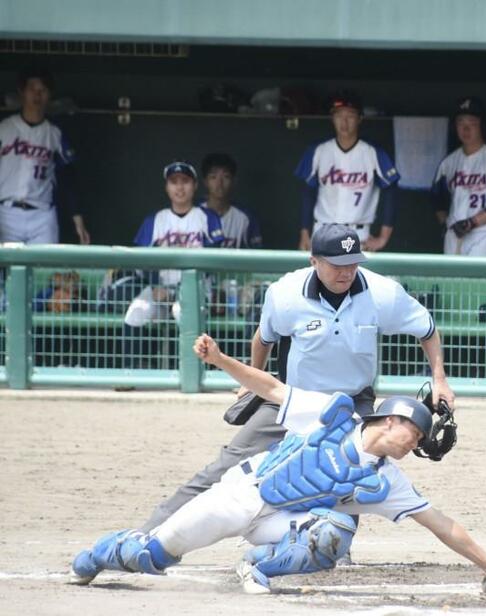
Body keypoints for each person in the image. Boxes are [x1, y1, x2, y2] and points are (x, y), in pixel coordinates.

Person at [71, 333, 486, 594]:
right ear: (392, 420)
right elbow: (272, 388)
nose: (416, 444)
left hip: (274, 525)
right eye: (415, 434)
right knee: (151, 557)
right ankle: (99, 555)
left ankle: (257, 566)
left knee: (336, 532)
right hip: (240, 495)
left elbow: (441, 524)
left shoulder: (386, 482)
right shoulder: (332, 414)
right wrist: (221, 361)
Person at [138, 223, 454, 532]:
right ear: (313, 260)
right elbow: (264, 339)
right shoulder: (285, 294)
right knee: (226, 465)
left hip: (352, 401)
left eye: (353, 263)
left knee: (349, 472)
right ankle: (150, 530)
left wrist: (439, 379)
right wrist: (252, 382)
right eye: (337, 264)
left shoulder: (383, 293)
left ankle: (333, 546)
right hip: (291, 400)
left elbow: (426, 329)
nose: (347, 272)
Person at [121, 161, 225, 367]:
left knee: (181, 313)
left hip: (196, 288)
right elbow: (141, 260)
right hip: (160, 288)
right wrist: (155, 285)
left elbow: (216, 259)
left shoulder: (207, 217)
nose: (179, 187)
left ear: (195, 186)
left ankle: (193, 372)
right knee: (136, 311)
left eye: (185, 181)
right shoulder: (155, 220)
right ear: (167, 187)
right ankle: (129, 372)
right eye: (174, 182)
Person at [295, 91, 399, 252]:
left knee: (353, 277)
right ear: (332, 119)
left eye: (350, 116)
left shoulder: (373, 152)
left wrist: (383, 238)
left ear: (360, 119)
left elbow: (391, 192)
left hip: (358, 233)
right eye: (338, 116)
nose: (344, 122)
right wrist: (304, 234)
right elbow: (307, 194)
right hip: (323, 230)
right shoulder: (318, 151)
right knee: (321, 277)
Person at [0, 67, 89, 244]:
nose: (37, 95)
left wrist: (77, 219)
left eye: (43, 90)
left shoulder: (55, 134)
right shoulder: (4, 128)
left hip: (42, 215)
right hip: (6, 212)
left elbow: (68, 178)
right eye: (32, 89)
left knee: (44, 269)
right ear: (22, 92)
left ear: (49, 95)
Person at [432, 97, 486, 256]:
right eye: (460, 123)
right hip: (454, 234)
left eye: (472, 123)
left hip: (485, 234)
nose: (466, 129)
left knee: (479, 281)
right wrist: (445, 222)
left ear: (482, 125)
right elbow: (437, 196)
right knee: (449, 281)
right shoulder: (449, 162)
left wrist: (472, 222)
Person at [198, 152, 262, 248]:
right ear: (205, 182)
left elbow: (257, 256)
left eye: (226, 177)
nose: (219, 183)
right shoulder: (194, 214)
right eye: (213, 177)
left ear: (234, 181)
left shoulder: (245, 218)